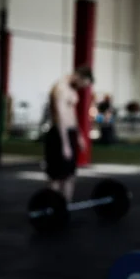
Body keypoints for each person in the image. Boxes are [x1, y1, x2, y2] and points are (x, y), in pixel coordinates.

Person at [44, 66, 93, 201]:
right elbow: (60, 116)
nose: (82, 88)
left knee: (70, 176)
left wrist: (79, 135)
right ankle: (51, 207)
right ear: (78, 76)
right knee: (56, 177)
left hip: (70, 134)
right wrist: (65, 144)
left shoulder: (72, 90)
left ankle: (65, 208)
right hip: (59, 135)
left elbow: (72, 114)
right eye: (83, 84)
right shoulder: (60, 88)